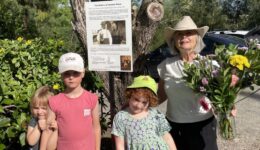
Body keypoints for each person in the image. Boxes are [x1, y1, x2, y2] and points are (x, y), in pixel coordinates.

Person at [157, 15, 219, 150]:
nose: (184, 37)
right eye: (179, 34)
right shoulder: (165, 65)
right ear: (174, 41)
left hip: (203, 125)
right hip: (174, 125)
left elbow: (219, 95)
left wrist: (229, 104)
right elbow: (161, 95)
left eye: (189, 33)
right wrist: (137, 106)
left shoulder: (209, 65)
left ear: (197, 38)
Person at [48, 52, 101, 150]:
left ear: (83, 73)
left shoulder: (92, 99)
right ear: (61, 75)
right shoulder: (54, 101)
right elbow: (49, 132)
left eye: (75, 73)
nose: (71, 77)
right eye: (67, 73)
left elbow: (96, 128)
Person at [112, 75, 177, 150]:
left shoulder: (155, 115)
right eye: (136, 99)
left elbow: (167, 138)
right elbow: (120, 145)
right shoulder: (121, 117)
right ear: (130, 95)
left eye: (144, 102)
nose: (139, 105)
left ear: (150, 102)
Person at [26, 86, 58, 150]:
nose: (40, 112)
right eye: (36, 108)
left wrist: (56, 130)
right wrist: (38, 126)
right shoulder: (34, 120)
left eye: (44, 108)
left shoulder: (55, 121)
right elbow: (30, 142)